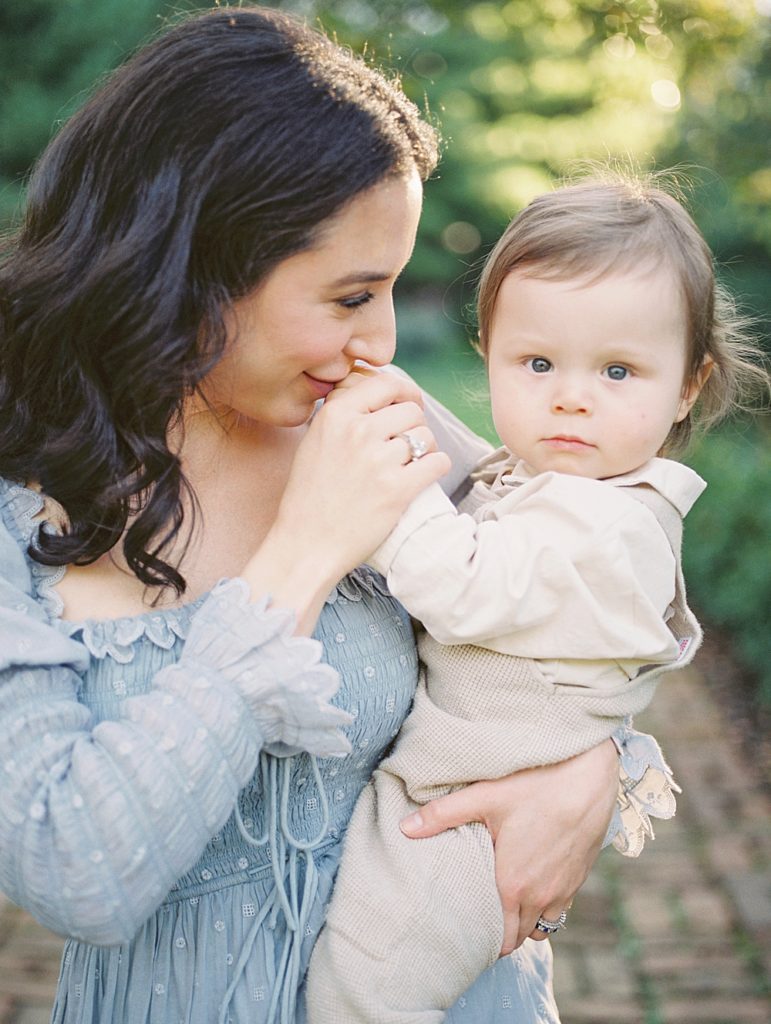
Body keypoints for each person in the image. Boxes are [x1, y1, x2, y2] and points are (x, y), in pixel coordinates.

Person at [0, 7, 676, 1022]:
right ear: (194, 269)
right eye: (353, 294)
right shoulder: (21, 499)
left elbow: (584, 606)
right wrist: (306, 552)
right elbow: (76, 871)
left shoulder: (380, 425)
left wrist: (594, 770)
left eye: (393, 289)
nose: (381, 340)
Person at [306, 177, 770, 1023]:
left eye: (618, 369)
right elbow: (480, 466)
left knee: (362, 994)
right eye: (537, 362)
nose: (570, 394)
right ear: (488, 353)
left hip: (471, 827)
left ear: (687, 387)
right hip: (453, 794)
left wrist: (380, 486)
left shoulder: (608, 526)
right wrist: (398, 402)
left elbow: (459, 584)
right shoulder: (570, 478)